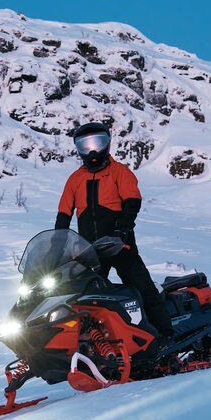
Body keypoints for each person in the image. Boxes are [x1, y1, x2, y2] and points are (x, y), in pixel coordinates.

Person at [55, 122, 174, 340]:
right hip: (89, 251)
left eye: (97, 143)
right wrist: (56, 246)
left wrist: (122, 231)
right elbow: (64, 213)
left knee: (142, 289)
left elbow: (132, 203)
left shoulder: (120, 172)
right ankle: (94, 344)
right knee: (85, 298)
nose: (92, 151)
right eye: (85, 145)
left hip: (120, 245)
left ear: (107, 144)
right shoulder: (75, 179)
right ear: (78, 149)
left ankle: (166, 336)